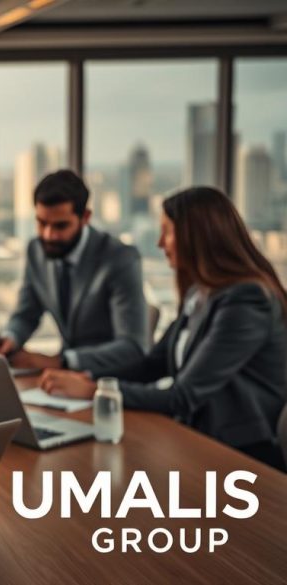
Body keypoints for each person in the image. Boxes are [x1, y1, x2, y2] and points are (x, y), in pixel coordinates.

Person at [39, 187, 287, 471]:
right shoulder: (200, 292)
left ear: (197, 237)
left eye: (167, 232)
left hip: (240, 452)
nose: (159, 243)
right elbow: (152, 365)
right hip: (197, 436)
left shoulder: (246, 301)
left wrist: (94, 390)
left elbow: (183, 397)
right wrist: (85, 376)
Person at [0, 169, 149, 376]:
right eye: (41, 223)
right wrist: (10, 338)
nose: (49, 235)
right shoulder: (36, 250)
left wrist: (60, 361)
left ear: (85, 217)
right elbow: (26, 313)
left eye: (60, 226)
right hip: (63, 382)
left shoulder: (120, 258)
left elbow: (133, 347)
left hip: (111, 382)